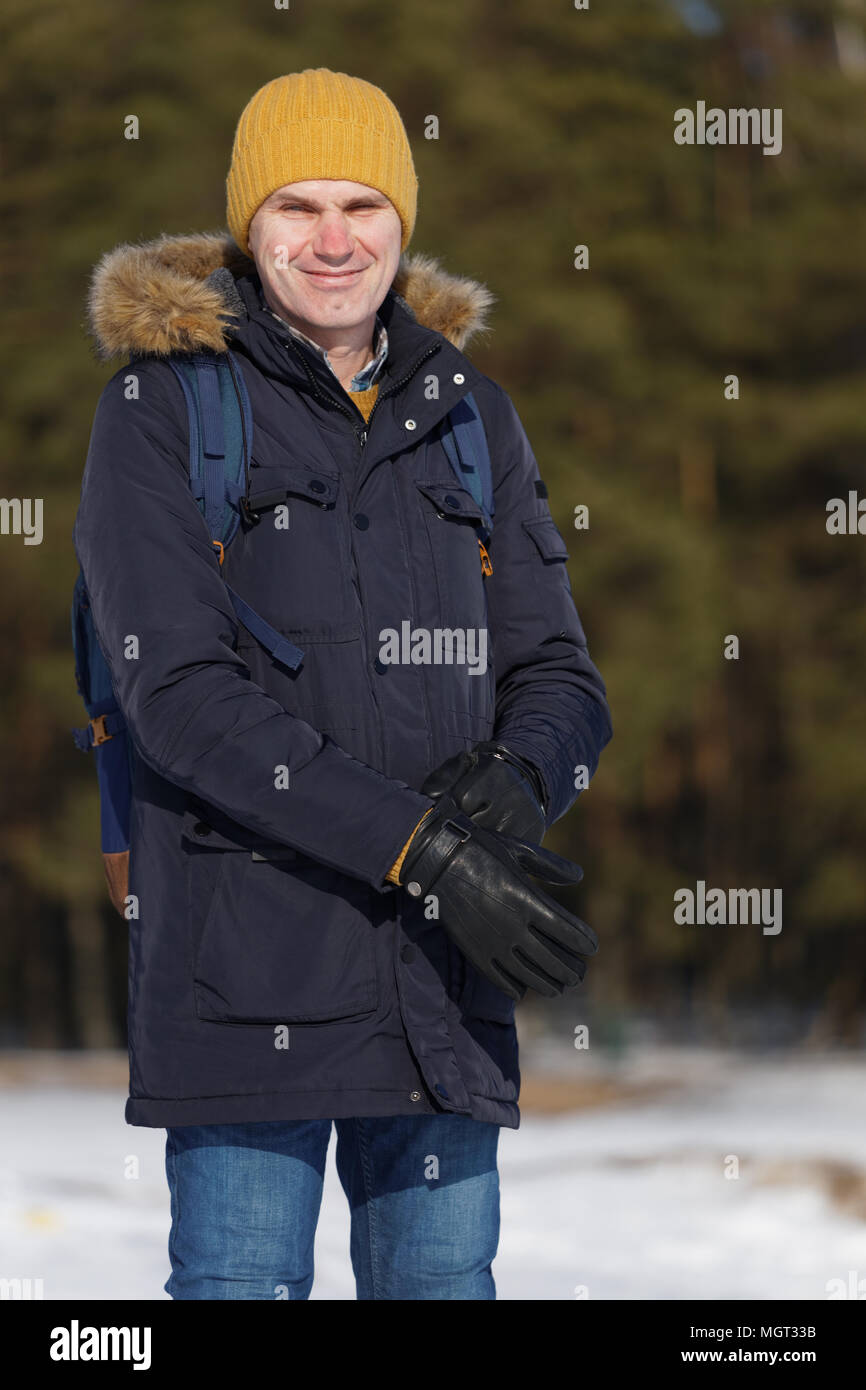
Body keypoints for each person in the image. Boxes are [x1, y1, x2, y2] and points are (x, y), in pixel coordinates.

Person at [74, 67, 612, 1300]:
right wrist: (425, 848)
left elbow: (561, 674)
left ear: (403, 221)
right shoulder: (161, 411)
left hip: (441, 985)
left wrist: (520, 779)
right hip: (241, 979)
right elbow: (186, 703)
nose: (332, 239)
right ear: (245, 227)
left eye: (362, 205)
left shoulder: (474, 415)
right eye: (296, 207)